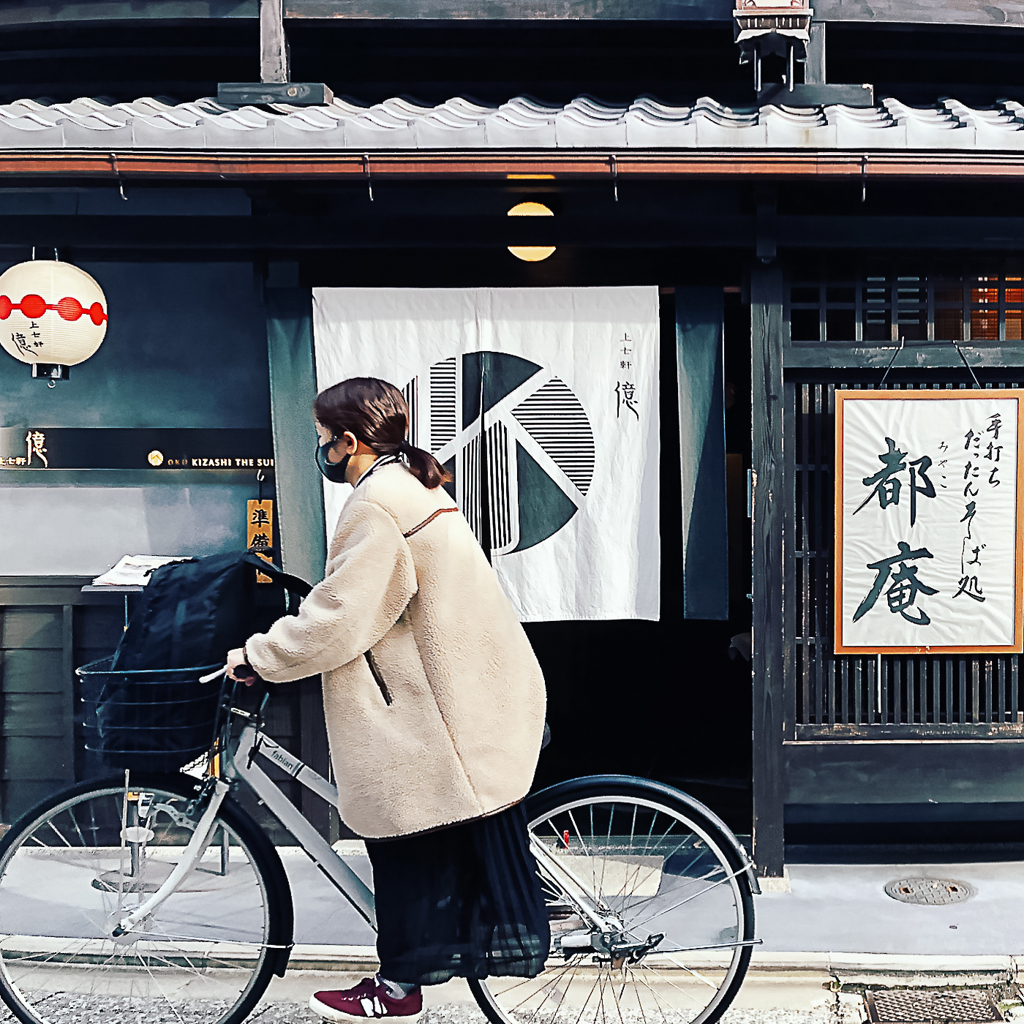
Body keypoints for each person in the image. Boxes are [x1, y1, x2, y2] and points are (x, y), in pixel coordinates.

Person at [225, 376, 550, 1023]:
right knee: (413, 829)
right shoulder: (413, 485)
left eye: (324, 442)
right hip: (469, 692)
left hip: (444, 709)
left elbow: (341, 617)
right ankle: (418, 966)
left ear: (349, 441)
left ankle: (399, 988)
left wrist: (259, 657)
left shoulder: (377, 504)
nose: (323, 453)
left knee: (402, 830)